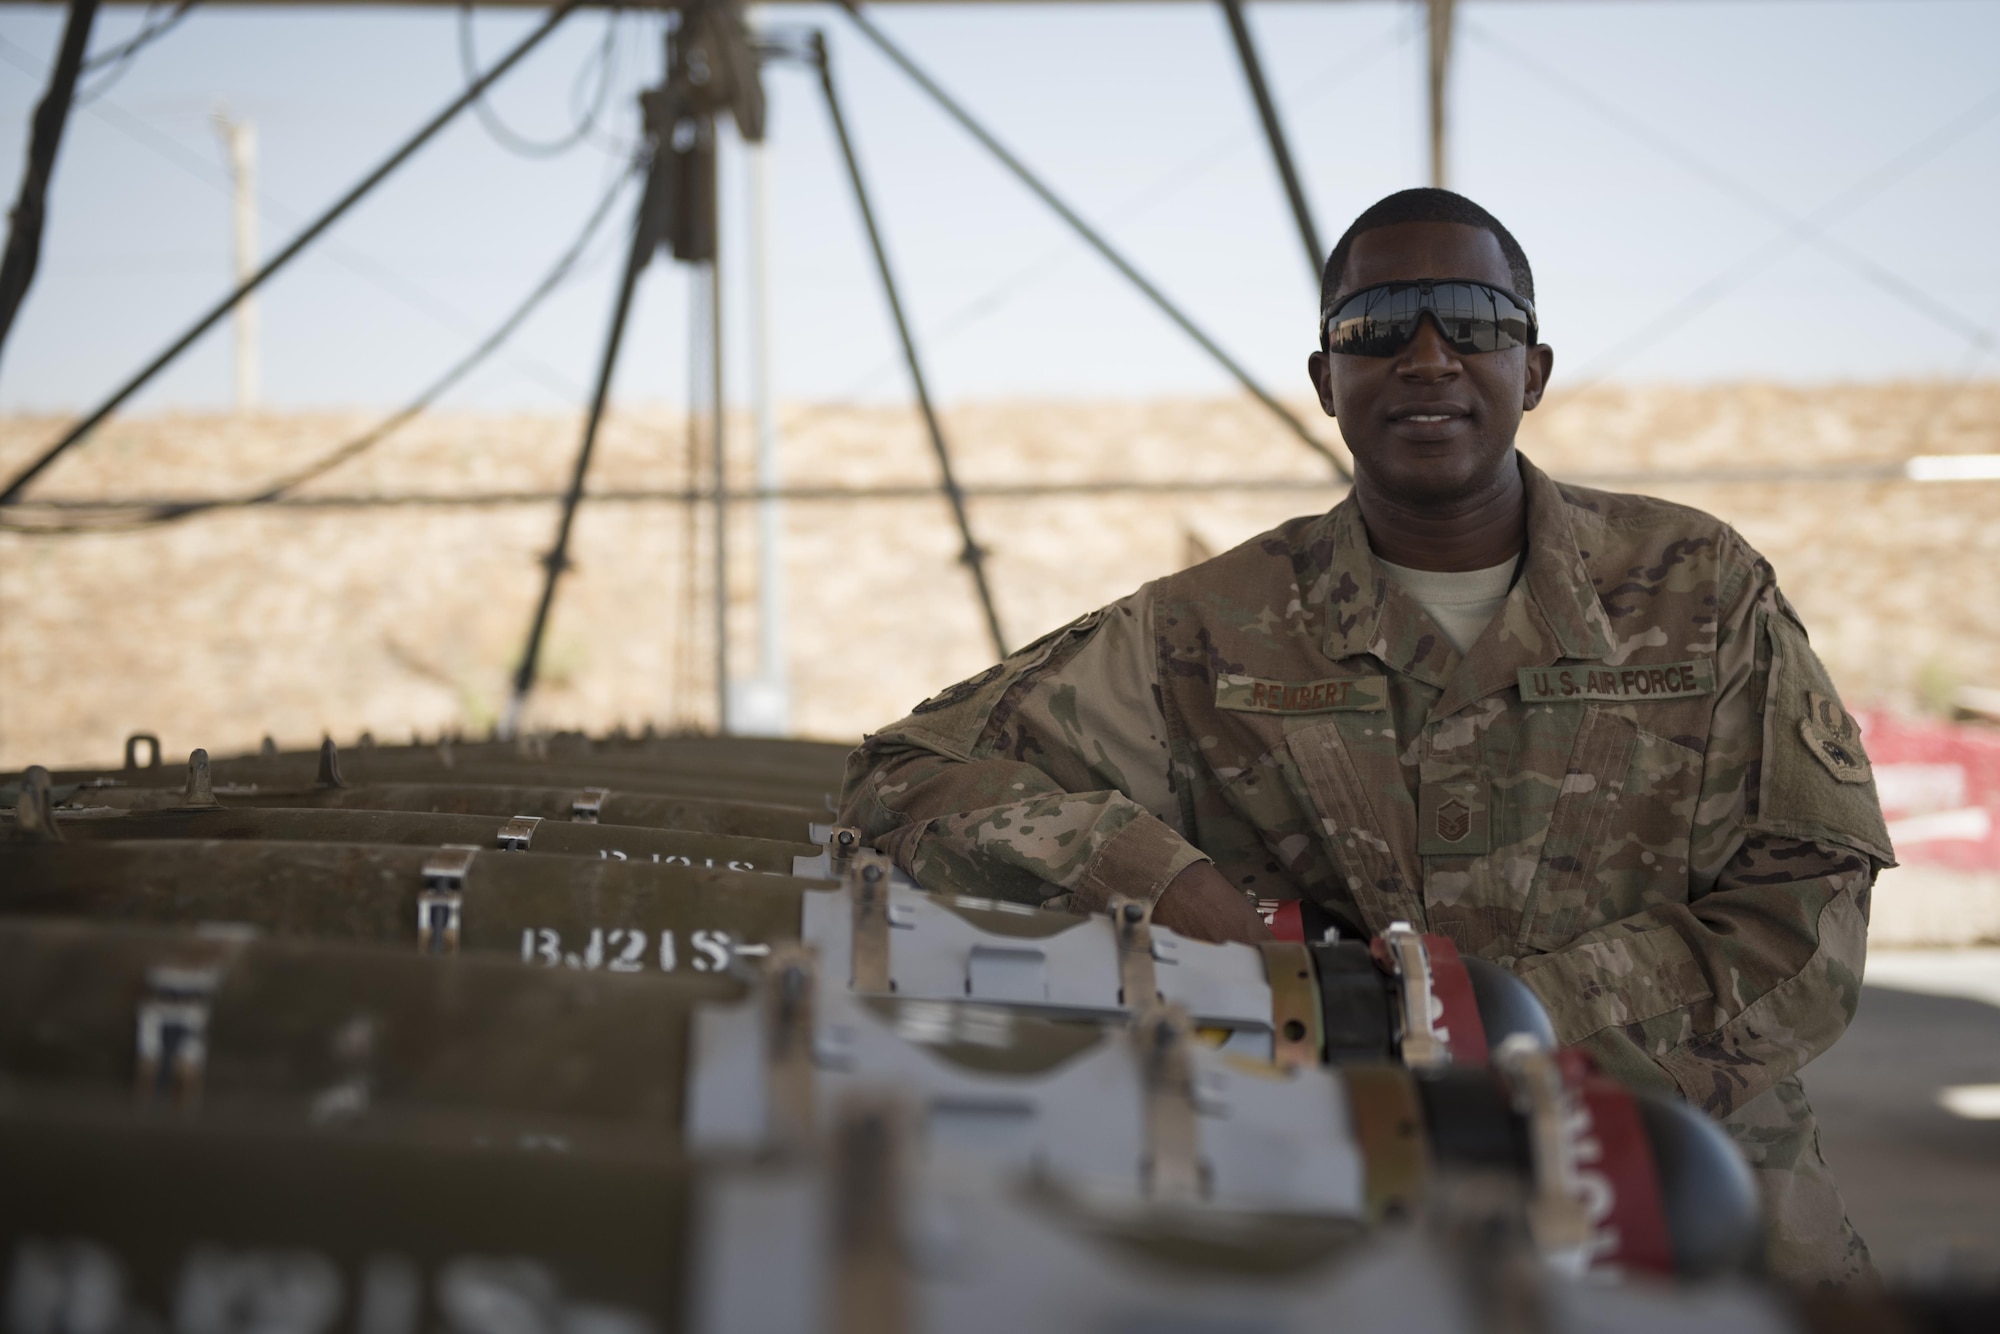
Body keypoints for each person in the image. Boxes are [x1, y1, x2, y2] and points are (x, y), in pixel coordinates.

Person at [837, 188, 1891, 1285]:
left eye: (1472, 321)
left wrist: (1495, 1023)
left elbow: (1806, 919)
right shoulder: (1206, 629)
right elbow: (900, 776)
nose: (1427, 358)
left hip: (1696, 1212)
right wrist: (1155, 874)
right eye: (1375, 327)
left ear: (1529, 368)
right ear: (1324, 380)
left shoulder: (1697, 589)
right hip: (1352, 1233)